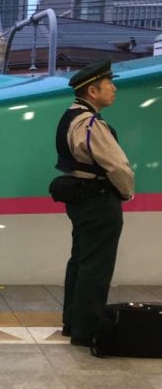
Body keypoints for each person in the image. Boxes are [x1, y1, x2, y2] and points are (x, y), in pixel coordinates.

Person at [55, 59, 135, 348]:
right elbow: (118, 168)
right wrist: (126, 194)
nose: (114, 89)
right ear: (92, 91)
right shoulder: (90, 123)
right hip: (99, 200)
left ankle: (72, 322)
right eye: (109, 85)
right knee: (96, 266)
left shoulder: (69, 117)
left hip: (80, 199)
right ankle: (87, 330)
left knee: (80, 261)